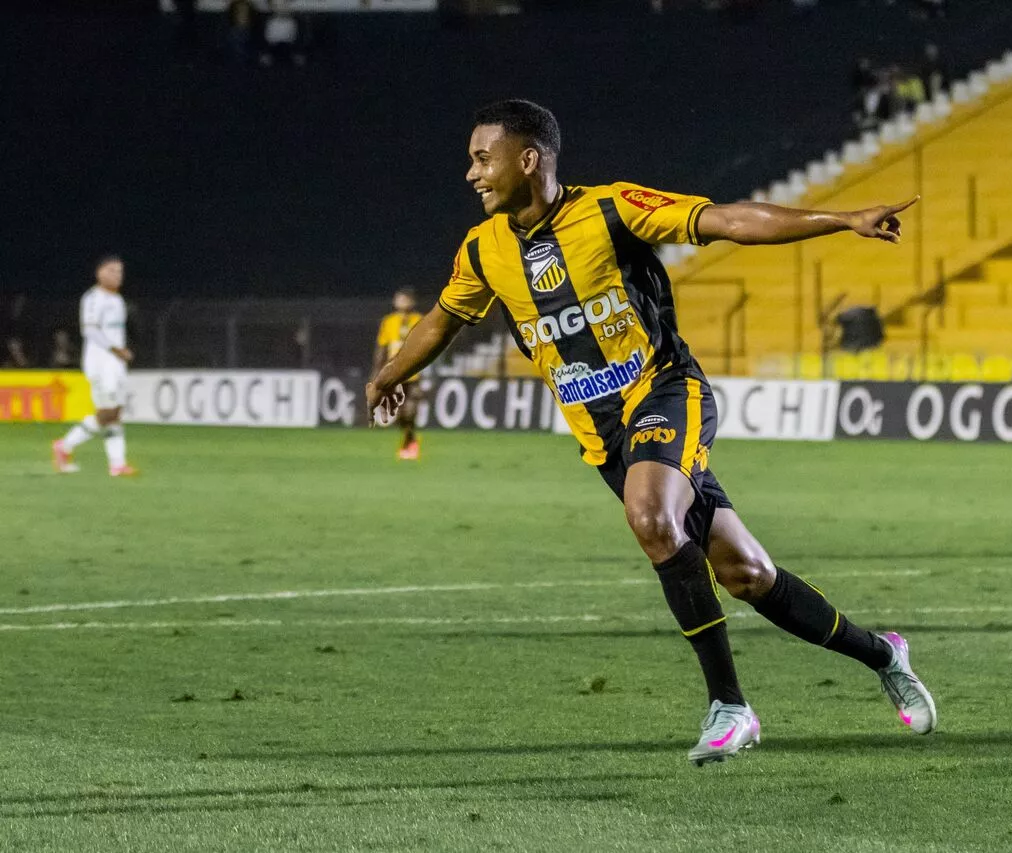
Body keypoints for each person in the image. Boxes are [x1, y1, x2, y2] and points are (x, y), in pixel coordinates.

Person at [366, 100, 935, 766]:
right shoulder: (483, 249)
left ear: (528, 159)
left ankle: (731, 706)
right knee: (746, 572)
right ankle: (883, 653)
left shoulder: (611, 209)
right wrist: (386, 376)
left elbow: (725, 220)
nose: (471, 173)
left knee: (651, 517)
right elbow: (442, 320)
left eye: (481, 157)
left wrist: (840, 220)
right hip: (606, 437)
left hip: (667, 392)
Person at [52, 256, 138, 477]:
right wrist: (116, 350)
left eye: (120, 271)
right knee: (107, 412)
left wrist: (120, 353)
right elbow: (89, 330)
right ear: (99, 273)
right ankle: (65, 445)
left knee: (115, 412)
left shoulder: (118, 300)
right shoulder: (93, 298)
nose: (117, 275)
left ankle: (117, 465)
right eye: (112, 271)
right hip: (100, 363)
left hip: (115, 363)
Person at [371, 288, 425, 460]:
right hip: (394, 374)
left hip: (414, 374)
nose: (400, 302)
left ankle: (410, 442)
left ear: (412, 302)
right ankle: (410, 439)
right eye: (398, 299)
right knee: (400, 415)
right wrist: (376, 373)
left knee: (410, 411)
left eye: (404, 299)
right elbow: (381, 348)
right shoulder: (388, 321)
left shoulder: (420, 320)